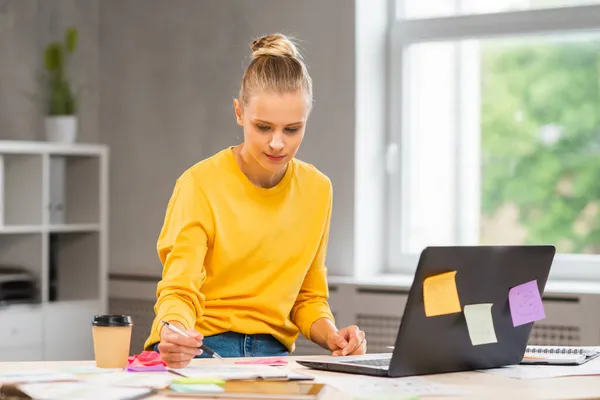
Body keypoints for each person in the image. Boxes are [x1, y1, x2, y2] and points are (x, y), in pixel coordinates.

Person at [144, 33, 367, 368]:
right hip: (203, 349)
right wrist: (172, 332)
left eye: (292, 129)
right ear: (238, 112)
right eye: (263, 127)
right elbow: (179, 290)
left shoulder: (317, 190)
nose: (277, 143)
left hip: (273, 359)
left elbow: (308, 298)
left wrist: (332, 335)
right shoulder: (199, 185)